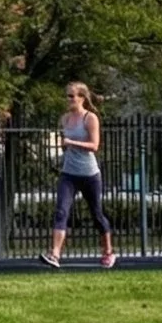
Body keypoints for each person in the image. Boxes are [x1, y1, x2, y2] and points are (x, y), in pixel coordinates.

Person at [44, 80, 116, 269]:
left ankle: (108, 251)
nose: (68, 99)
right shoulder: (65, 119)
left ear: (82, 98)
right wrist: (63, 145)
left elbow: (94, 146)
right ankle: (55, 254)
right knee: (61, 211)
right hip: (69, 173)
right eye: (67, 96)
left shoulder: (90, 118)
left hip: (89, 174)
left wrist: (71, 143)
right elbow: (65, 142)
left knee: (96, 214)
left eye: (72, 96)